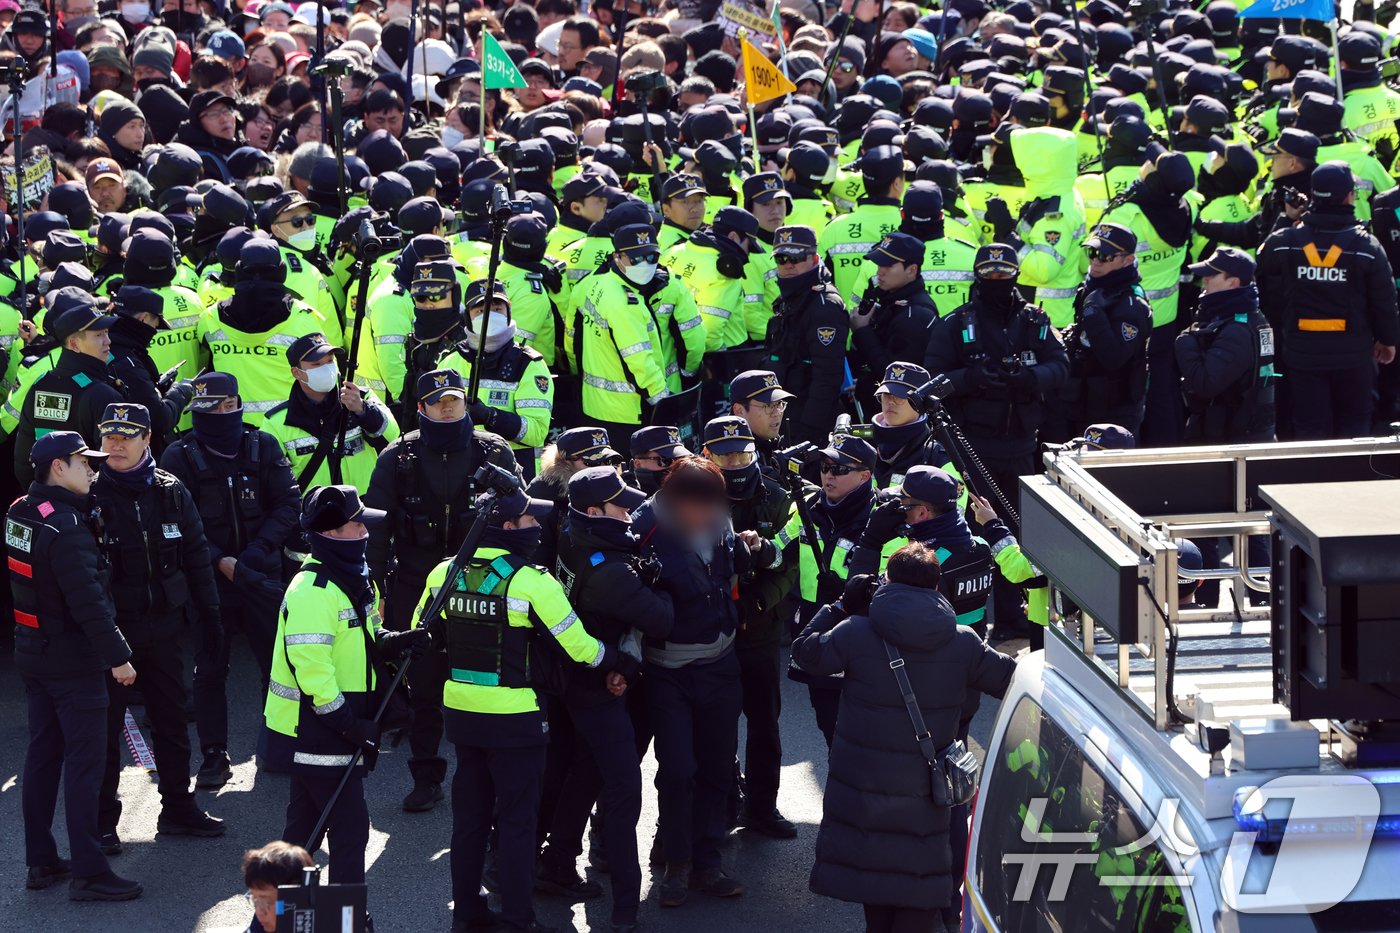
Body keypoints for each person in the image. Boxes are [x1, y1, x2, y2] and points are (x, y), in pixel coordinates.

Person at [411, 486, 630, 933]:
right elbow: (581, 649)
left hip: (462, 715)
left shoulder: (443, 574)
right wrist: (622, 661)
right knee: (516, 822)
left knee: (469, 821)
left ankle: (467, 916)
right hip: (517, 720)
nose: (537, 527)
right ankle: (517, 920)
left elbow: (420, 633)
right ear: (508, 528)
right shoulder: (533, 581)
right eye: (530, 520)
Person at [792, 543, 1016, 933]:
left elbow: (806, 653)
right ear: (937, 587)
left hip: (863, 787)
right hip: (927, 789)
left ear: (888, 581)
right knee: (919, 886)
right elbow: (1012, 680)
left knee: (875, 885)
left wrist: (840, 605)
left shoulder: (856, 631)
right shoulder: (962, 641)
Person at [363, 368, 520, 813]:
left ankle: (491, 774)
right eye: (438, 401)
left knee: (490, 680)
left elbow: (522, 518)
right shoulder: (398, 458)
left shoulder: (493, 451)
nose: (448, 407)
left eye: (454, 398)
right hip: (418, 586)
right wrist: (371, 586)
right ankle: (426, 774)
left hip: (483, 586)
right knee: (425, 683)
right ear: (421, 408)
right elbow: (376, 527)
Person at [264, 485, 425, 887]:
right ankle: (349, 921)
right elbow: (313, 672)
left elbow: (370, 636)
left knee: (302, 836)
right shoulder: (312, 593)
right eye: (357, 525)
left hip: (329, 726)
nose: (366, 532)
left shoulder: (353, 579)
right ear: (332, 534)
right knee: (349, 832)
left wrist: (399, 640)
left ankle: (272, 923)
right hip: (316, 729)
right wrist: (350, 725)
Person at [9, 432, 141, 902]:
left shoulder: (20, 510)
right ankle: (89, 871)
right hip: (72, 663)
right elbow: (88, 601)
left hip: (34, 655)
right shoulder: (66, 527)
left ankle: (40, 860)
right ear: (58, 468)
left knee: (42, 757)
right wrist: (120, 658)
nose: (94, 469)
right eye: (84, 462)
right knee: (85, 766)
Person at [540, 466, 671, 932]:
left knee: (584, 771)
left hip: (576, 678)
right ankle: (625, 908)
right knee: (622, 792)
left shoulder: (571, 532)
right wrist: (653, 580)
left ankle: (556, 863)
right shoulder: (611, 572)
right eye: (620, 505)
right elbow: (662, 619)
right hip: (596, 687)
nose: (631, 510)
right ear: (595, 511)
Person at [92, 402, 226, 848]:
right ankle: (103, 822)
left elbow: (196, 557)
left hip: (164, 627)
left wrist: (211, 619)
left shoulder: (171, 492)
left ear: (147, 439)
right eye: (108, 435)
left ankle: (178, 809)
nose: (115, 443)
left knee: (171, 722)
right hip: (114, 633)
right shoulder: (89, 494)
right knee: (105, 731)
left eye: (126, 435)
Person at [159, 374, 301, 788]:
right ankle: (213, 755)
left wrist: (254, 556)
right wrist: (221, 561)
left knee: (276, 668)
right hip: (209, 581)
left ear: (238, 402)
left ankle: (277, 742)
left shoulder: (262, 444)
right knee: (210, 670)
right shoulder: (178, 455)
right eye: (210, 409)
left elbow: (287, 503)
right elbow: (179, 522)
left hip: (261, 574)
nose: (221, 415)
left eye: (227, 406)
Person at [923, 244, 1067, 641]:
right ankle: (962, 619)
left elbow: (1061, 365)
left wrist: (1029, 378)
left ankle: (1014, 619)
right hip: (971, 448)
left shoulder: (1035, 321)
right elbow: (932, 379)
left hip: (1020, 445)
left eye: (1005, 275)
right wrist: (973, 378)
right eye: (991, 276)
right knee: (968, 535)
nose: (998, 282)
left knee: (1018, 535)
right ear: (977, 276)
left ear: (1016, 276)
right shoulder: (956, 324)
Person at [633, 457, 750, 906]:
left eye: (713, 505)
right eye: (697, 506)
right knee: (679, 771)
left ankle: (708, 863)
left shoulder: (722, 521)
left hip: (721, 666)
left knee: (718, 769)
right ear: (674, 498)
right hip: (668, 673)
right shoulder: (643, 528)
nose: (707, 515)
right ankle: (676, 868)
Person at [703, 416, 798, 840]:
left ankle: (762, 808)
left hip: (759, 628)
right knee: (713, 728)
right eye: (725, 454)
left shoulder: (778, 498)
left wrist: (760, 602)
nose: (735, 461)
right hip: (707, 631)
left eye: (742, 451)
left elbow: (792, 563)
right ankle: (721, 806)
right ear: (707, 455)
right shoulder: (692, 495)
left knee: (764, 724)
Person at [1257, 161, 1399, 439]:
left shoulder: (1285, 240)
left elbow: (1262, 275)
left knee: (1310, 426)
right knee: (1355, 425)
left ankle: (1311, 479)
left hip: (1302, 353)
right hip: (1353, 354)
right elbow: (1384, 301)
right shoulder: (1367, 247)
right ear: (1349, 197)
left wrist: (1288, 218)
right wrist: (1388, 340)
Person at [773, 434, 880, 746]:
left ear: (865, 476)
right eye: (824, 466)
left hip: (860, 637)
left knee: (861, 733)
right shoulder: (807, 508)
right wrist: (755, 547)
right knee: (827, 722)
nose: (828, 475)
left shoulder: (881, 520)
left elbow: (893, 583)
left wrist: (851, 591)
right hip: (814, 633)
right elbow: (777, 549)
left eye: (839, 469)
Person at [437, 280, 554, 479]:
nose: (489, 316)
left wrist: (491, 417)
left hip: (515, 471)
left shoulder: (529, 364)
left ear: (508, 313)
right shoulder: (450, 362)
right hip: (459, 468)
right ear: (468, 317)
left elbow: (537, 432)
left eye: (497, 308)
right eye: (480, 311)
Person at [262, 332, 400, 494]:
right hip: (313, 514)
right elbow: (270, 482)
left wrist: (362, 410)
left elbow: (393, 438)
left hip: (365, 509)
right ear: (297, 372)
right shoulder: (277, 421)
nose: (326, 368)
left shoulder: (363, 397)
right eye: (316, 364)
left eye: (329, 361)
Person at [14, 290, 122, 481]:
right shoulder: (101, 395)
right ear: (74, 344)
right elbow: (117, 463)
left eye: (106, 332)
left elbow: (23, 462)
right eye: (98, 335)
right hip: (88, 503)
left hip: (45, 497)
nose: (108, 341)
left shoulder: (39, 385)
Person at [1059, 223, 1152, 439]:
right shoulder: (1094, 287)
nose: (1095, 260)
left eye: (1106, 256)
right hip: (1083, 402)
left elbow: (1114, 358)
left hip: (1115, 414)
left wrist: (1094, 314)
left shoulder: (1132, 305)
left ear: (1127, 260)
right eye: (1092, 252)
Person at [1177, 248, 1277, 443]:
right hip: (1239, 434)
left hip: (1234, 442)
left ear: (1233, 283)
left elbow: (1206, 384)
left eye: (1211, 275)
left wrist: (1185, 342)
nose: (1204, 280)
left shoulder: (1238, 330)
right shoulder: (1246, 317)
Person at [766, 224, 849, 446]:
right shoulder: (790, 298)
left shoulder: (825, 306)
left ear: (814, 258)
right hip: (785, 411)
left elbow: (828, 377)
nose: (788, 265)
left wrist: (808, 433)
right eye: (781, 259)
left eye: (797, 258)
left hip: (808, 421)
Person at [849, 232, 938, 408]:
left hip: (896, 412)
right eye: (879, 264)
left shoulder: (916, 314)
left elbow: (896, 375)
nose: (879, 271)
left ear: (911, 270)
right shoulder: (889, 299)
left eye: (888, 265)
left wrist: (862, 331)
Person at [727, 369, 795, 478]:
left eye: (779, 404)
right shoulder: (728, 457)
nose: (777, 413)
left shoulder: (770, 441)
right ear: (739, 410)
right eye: (768, 406)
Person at [242, 841, 315, 933]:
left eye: (266, 902)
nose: (259, 912)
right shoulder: (261, 923)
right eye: (255, 900)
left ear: (297, 898)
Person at [627, 424, 691, 495]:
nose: (675, 465)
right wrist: (632, 500)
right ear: (638, 464)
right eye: (665, 461)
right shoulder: (623, 498)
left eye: (680, 459)